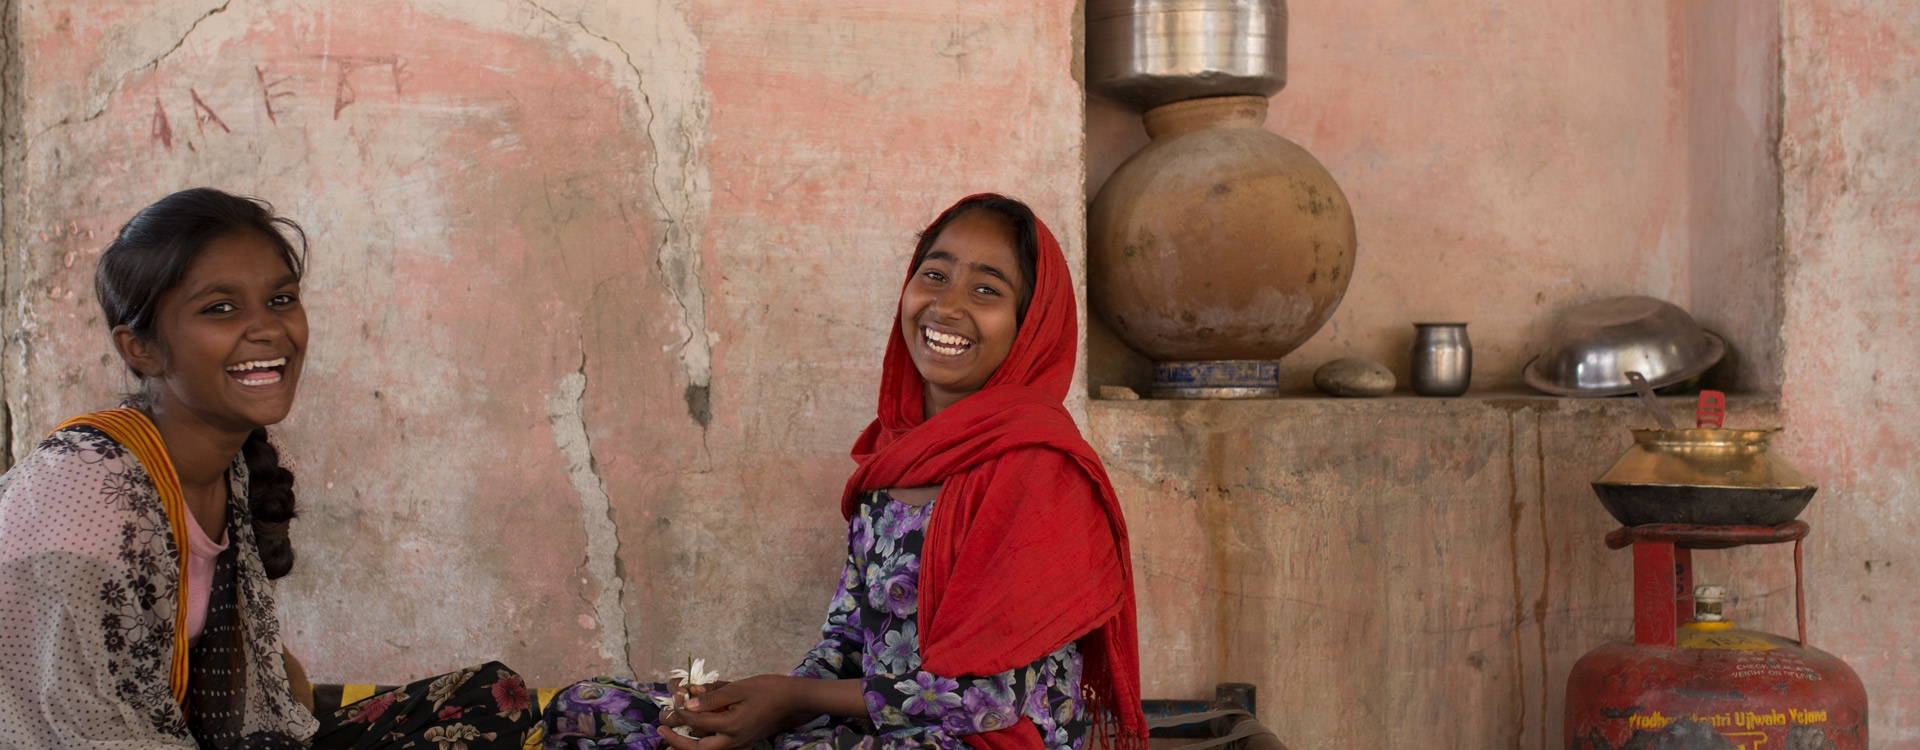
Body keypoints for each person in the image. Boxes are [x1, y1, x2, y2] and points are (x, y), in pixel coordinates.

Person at [543, 194, 1148, 750]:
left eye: (987, 290)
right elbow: (847, 642)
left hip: (977, 738)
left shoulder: (1041, 474)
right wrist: (755, 704)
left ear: (1030, 327)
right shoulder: (892, 460)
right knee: (588, 708)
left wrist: (794, 701)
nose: (947, 304)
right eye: (933, 275)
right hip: (882, 720)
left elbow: (988, 701)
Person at [0, 188, 538, 749]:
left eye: (281, 300)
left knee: (491, 697)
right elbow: (68, 725)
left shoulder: (225, 468)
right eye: (221, 308)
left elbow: (255, 682)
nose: (268, 330)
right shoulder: (83, 493)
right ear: (141, 349)